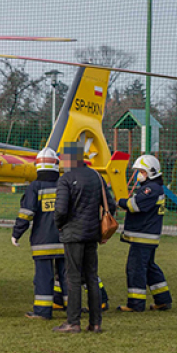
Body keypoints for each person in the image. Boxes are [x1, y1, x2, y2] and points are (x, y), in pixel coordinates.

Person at [53, 143, 115, 334]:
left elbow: (61, 210)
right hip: (92, 233)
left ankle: (73, 322)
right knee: (92, 277)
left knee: (72, 278)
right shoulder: (97, 177)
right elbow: (110, 205)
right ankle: (96, 323)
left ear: (69, 158)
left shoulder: (66, 179)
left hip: (72, 234)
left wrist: (59, 224)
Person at [12, 147, 66, 320]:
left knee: (44, 277)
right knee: (67, 277)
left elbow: (26, 213)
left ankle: (43, 312)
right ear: (56, 164)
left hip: (43, 241)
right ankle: (73, 309)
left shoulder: (35, 187)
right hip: (65, 240)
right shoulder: (64, 184)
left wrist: (16, 233)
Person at [116, 155, 173, 312]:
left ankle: (135, 304)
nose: (138, 175)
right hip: (148, 236)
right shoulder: (154, 187)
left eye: (141, 171)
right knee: (149, 267)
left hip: (143, 236)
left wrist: (118, 201)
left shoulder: (151, 189)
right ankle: (163, 300)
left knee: (135, 269)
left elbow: (133, 205)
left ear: (150, 172)